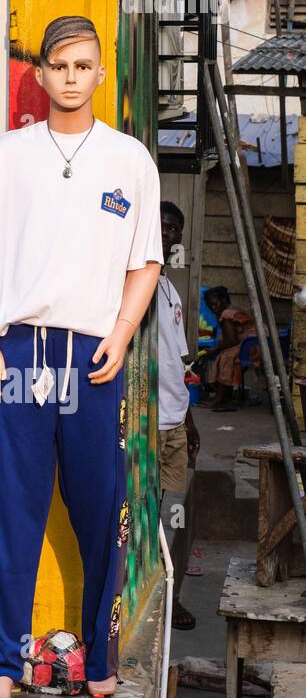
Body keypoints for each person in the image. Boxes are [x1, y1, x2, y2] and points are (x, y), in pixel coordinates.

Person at [0, 15, 163, 698]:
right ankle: (5, 664)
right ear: (39, 75)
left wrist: (125, 331)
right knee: (10, 512)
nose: (70, 78)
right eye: (58, 66)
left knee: (102, 511)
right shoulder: (8, 156)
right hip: (19, 353)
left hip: (93, 355)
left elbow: (147, 259)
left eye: (82, 66)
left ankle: (100, 659)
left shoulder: (130, 161)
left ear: (101, 73)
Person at [156, 202, 199, 630]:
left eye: (175, 229)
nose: (169, 234)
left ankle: (169, 594)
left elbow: (178, 364)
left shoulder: (170, 290)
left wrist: (189, 419)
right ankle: (154, 595)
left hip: (174, 420)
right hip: (149, 423)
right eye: (163, 225)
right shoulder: (139, 283)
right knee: (146, 512)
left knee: (173, 515)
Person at [199, 286, 253, 412]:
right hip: (252, 343)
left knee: (225, 357)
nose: (214, 308)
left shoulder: (227, 314)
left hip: (250, 345)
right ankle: (224, 396)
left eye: (215, 304)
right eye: (210, 306)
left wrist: (214, 350)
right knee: (223, 355)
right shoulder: (233, 309)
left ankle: (220, 398)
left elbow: (232, 341)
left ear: (224, 299)